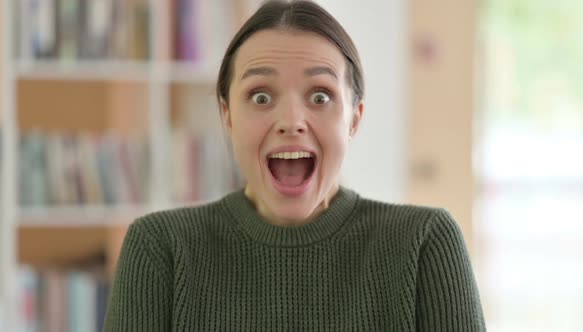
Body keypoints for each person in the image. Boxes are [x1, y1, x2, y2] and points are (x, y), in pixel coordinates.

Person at [104, 0, 486, 330]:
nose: (291, 120)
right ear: (227, 115)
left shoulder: (424, 245)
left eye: (320, 96)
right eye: (260, 96)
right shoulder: (160, 248)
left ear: (354, 118)